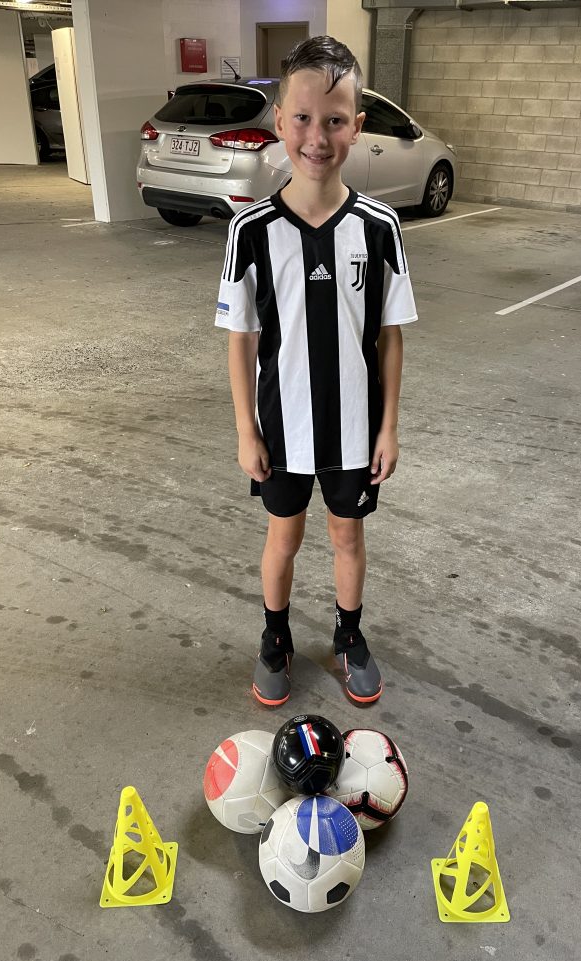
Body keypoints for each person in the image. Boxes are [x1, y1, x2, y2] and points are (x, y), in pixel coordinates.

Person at [215, 35, 417, 706]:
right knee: (284, 535)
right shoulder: (251, 232)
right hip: (282, 429)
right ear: (279, 122)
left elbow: (390, 339)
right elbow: (241, 341)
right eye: (302, 118)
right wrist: (246, 430)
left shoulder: (380, 226)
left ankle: (349, 634)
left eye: (334, 120)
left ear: (356, 127)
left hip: (355, 431)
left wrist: (388, 428)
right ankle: (274, 635)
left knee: (348, 537)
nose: (317, 135)